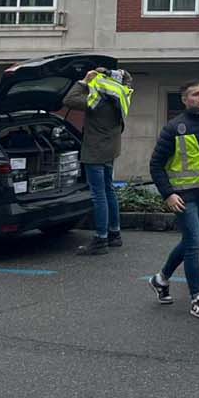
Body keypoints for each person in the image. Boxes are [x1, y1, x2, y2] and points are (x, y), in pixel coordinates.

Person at [148, 80, 199, 318]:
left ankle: (161, 279)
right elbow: (155, 165)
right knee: (194, 243)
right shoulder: (173, 128)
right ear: (184, 100)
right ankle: (197, 298)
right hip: (183, 197)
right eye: (195, 94)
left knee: (188, 242)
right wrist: (168, 194)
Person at [62, 67, 134, 256]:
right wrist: (112, 72)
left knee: (98, 194)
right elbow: (128, 79)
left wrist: (85, 80)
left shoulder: (97, 101)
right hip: (111, 149)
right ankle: (114, 233)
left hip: (95, 151)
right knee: (109, 190)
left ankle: (101, 238)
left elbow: (68, 100)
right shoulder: (121, 96)